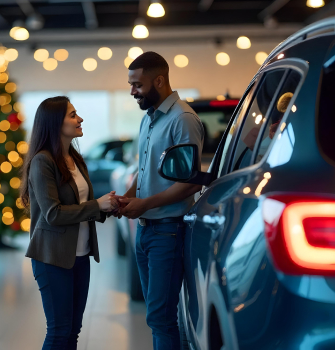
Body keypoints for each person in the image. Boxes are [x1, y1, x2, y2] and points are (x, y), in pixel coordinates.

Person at [115, 52, 204, 350]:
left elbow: (189, 183)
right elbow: (146, 170)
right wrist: (127, 197)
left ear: (159, 80)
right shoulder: (149, 120)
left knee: (160, 317)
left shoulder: (183, 119)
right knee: (161, 317)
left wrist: (147, 204)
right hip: (146, 230)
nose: (132, 92)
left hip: (168, 229)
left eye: (137, 85)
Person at [20, 96, 118, 350]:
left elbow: (81, 206)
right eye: (73, 115)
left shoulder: (75, 158)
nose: (80, 119)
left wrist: (109, 207)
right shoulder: (42, 162)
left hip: (80, 256)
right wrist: (98, 205)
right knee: (59, 331)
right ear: (54, 123)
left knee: (73, 331)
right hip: (52, 257)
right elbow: (53, 214)